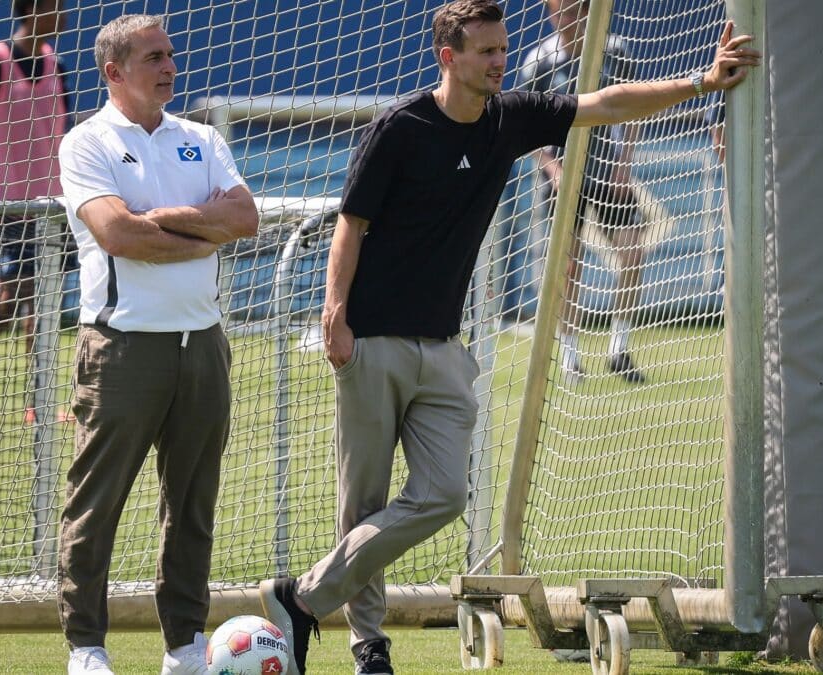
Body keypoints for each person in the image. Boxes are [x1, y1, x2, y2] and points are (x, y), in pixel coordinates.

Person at [257, 2, 759, 674]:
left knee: (444, 495)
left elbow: (608, 102)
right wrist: (335, 312)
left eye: (501, 49)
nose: (498, 61)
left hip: (442, 347)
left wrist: (702, 82)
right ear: (448, 57)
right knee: (364, 504)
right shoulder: (400, 127)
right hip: (370, 340)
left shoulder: (510, 117)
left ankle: (302, 598)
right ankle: (367, 644)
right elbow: (350, 225)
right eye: (485, 51)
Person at [55, 14, 258, 675]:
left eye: (170, 54)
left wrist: (163, 221)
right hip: (121, 348)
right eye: (153, 57)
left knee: (192, 505)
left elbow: (244, 218)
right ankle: (86, 647)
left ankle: (185, 648)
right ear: (114, 72)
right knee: (97, 502)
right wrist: (199, 233)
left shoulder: (200, 137)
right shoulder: (85, 143)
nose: (170, 66)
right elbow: (118, 235)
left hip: (202, 346)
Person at [0, 0, 71, 420]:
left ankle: (38, 400)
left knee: (42, 298)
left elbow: (65, 130)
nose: (65, 14)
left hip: (51, 200)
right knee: (16, 291)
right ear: (34, 9)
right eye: (58, 7)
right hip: (6, 199)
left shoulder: (56, 64)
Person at [518, 0, 646, 382]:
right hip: (562, 179)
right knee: (567, 267)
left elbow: (634, 106)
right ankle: (570, 357)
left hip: (609, 174)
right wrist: (552, 167)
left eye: (576, 10)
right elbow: (524, 126)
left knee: (633, 255)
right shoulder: (538, 62)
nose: (568, 17)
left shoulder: (616, 51)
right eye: (561, 10)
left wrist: (625, 162)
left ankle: (619, 348)